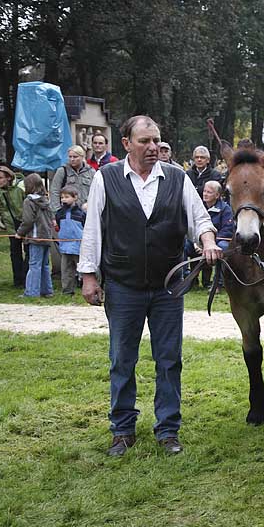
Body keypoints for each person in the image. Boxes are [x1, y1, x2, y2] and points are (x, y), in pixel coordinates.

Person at [78, 115, 222, 457]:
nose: (153, 147)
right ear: (126, 144)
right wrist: (88, 275)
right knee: (121, 359)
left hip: (167, 287)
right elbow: (93, 229)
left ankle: (168, 430)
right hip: (122, 285)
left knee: (169, 360)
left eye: (156, 140)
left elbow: (199, 217)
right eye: (145, 141)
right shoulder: (106, 178)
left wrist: (208, 239)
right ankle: (122, 430)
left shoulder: (176, 178)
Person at [16, 173, 55, 298]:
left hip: (35, 237)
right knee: (44, 265)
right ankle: (47, 291)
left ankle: (32, 292)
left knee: (34, 265)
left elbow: (28, 220)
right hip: (46, 236)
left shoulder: (29, 201)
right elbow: (51, 218)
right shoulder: (46, 200)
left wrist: (19, 233)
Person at [196, 180, 233, 288]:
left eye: (209, 192)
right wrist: (196, 243)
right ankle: (188, 279)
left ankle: (218, 283)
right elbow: (192, 225)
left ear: (217, 195)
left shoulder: (226, 209)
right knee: (184, 246)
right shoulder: (198, 207)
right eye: (204, 191)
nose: (205, 194)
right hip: (199, 240)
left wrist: (209, 244)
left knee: (223, 247)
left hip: (218, 242)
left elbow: (227, 231)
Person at [0, 165, 27, 287]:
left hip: (24, 221)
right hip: (11, 223)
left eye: (0, 178)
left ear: (8, 177)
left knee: (29, 251)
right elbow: (2, 206)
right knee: (15, 252)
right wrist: (6, 223)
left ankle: (27, 277)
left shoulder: (20, 187)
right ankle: (18, 280)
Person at [54, 186, 86, 296]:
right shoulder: (59, 213)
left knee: (84, 269)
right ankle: (67, 290)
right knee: (66, 270)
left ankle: (88, 287)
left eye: (67, 197)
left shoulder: (81, 214)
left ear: (75, 197)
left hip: (78, 246)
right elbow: (58, 225)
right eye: (62, 197)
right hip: (65, 246)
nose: (63, 200)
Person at [49, 144, 95, 212]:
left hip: (86, 211)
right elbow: (55, 191)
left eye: (75, 157)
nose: (72, 159)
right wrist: (57, 211)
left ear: (82, 157)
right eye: (70, 157)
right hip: (67, 212)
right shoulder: (62, 171)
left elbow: (95, 192)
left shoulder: (91, 171)